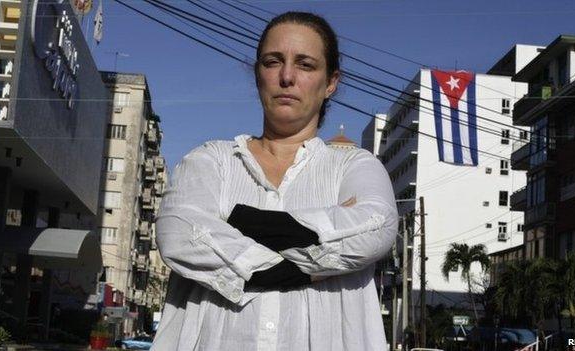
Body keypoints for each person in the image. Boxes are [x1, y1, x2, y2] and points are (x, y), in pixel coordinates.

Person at [151, 11, 398, 351]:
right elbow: (178, 233)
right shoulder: (211, 159)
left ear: (331, 82)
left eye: (305, 65)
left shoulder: (355, 165)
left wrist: (240, 223)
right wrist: (316, 264)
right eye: (272, 61)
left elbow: (376, 227)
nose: (286, 76)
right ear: (258, 75)